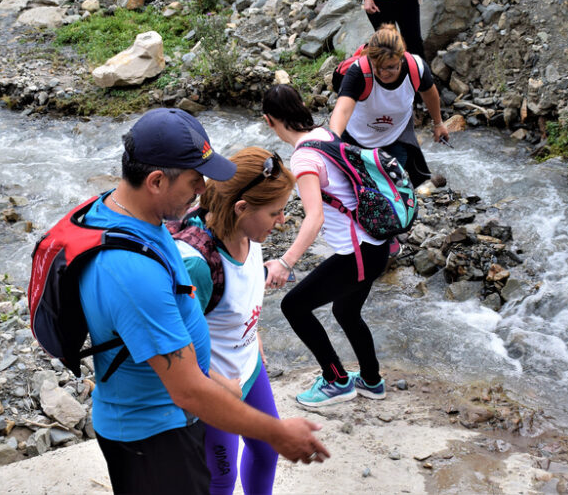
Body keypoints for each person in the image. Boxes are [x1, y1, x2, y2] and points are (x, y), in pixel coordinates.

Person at [78, 108, 329, 495]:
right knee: (221, 478)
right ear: (157, 181)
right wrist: (277, 432)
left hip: (198, 399)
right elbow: (188, 387)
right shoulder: (139, 269)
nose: (203, 191)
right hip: (153, 433)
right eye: (196, 180)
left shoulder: (143, 219)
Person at [175, 147, 296, 495]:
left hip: (249, 368)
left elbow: (240, 297)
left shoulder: (249, 233)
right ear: (241, 208)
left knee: (267, 450)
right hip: (216, 386)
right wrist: (218, 385)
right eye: (275, 212)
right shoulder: (195, 264)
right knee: (221, 478)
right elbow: (172, 350)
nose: (283, 221)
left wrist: (253, 337)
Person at [261, 86, 390, 408]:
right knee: (345, 310)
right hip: (377, 246)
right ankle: (371, 381)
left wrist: (285, 262)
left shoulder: (304, 157)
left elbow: (314, 219)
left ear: (268, 121)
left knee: (293, 306)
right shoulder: (326, 134)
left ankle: (336, 380)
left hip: (358, 253)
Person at [329, 24, 449, 188]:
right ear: (371, 60)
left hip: (394, 139)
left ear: (401, 57)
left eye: (391, 67)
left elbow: (430, 93)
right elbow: (342, 110)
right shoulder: (359, 72)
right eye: (378, 68)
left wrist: (438, 123)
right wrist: (333, 138)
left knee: (390, 188)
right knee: (354, 188)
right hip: (355, 139)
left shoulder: (416, 67)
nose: (384, 73)